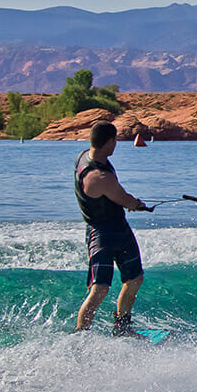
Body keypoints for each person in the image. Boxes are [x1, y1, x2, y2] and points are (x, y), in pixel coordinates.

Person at [74, 120, 149, 336]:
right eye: (114, 141)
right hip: (101, 233)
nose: (116, 145)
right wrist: (137, 204)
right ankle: (80, 333)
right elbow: (124, 199)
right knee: (100, 288)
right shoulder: (100, 177)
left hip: (119, 228)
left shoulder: (84, 156)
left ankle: (122, 327)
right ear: (108, 142)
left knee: (134, 279)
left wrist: (131, 204)